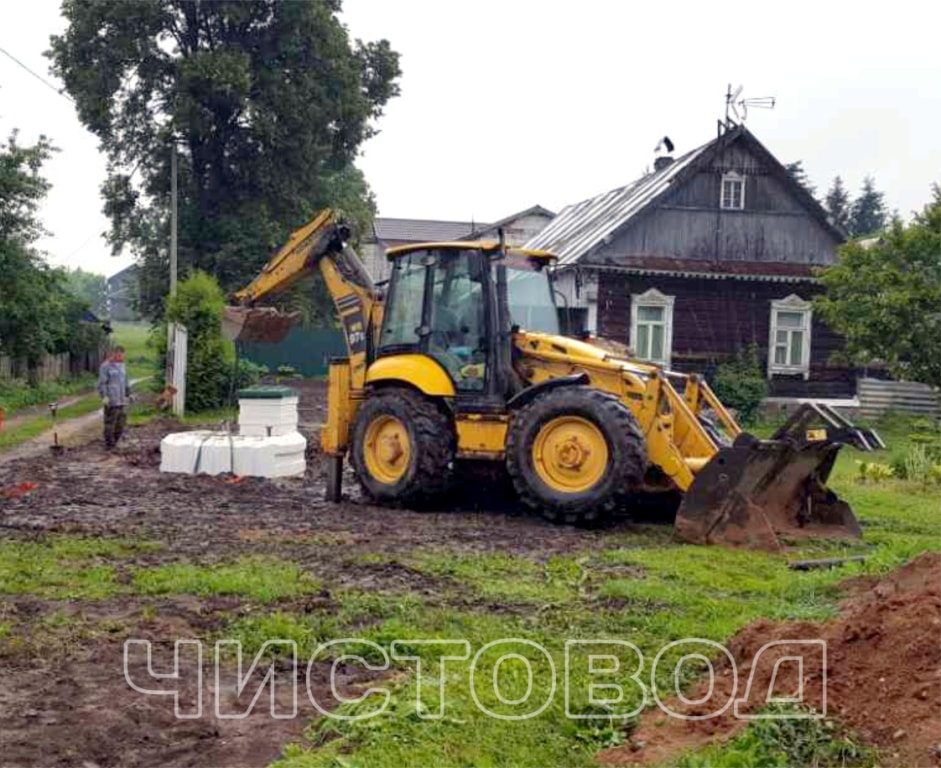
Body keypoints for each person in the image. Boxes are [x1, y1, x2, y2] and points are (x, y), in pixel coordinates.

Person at [98, 345, 131, 448]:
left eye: (122, 355)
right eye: (119, 355)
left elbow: (125, 382)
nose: (121, 357)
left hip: (121, 400)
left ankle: (115, 442)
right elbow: (102, 383)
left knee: (121, 423)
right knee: (110, 423)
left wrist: (129, 394)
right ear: (114, 354)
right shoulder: (105, 366)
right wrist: (104, 396)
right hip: (111, 400)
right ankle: (109, 444)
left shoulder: (122, 366)